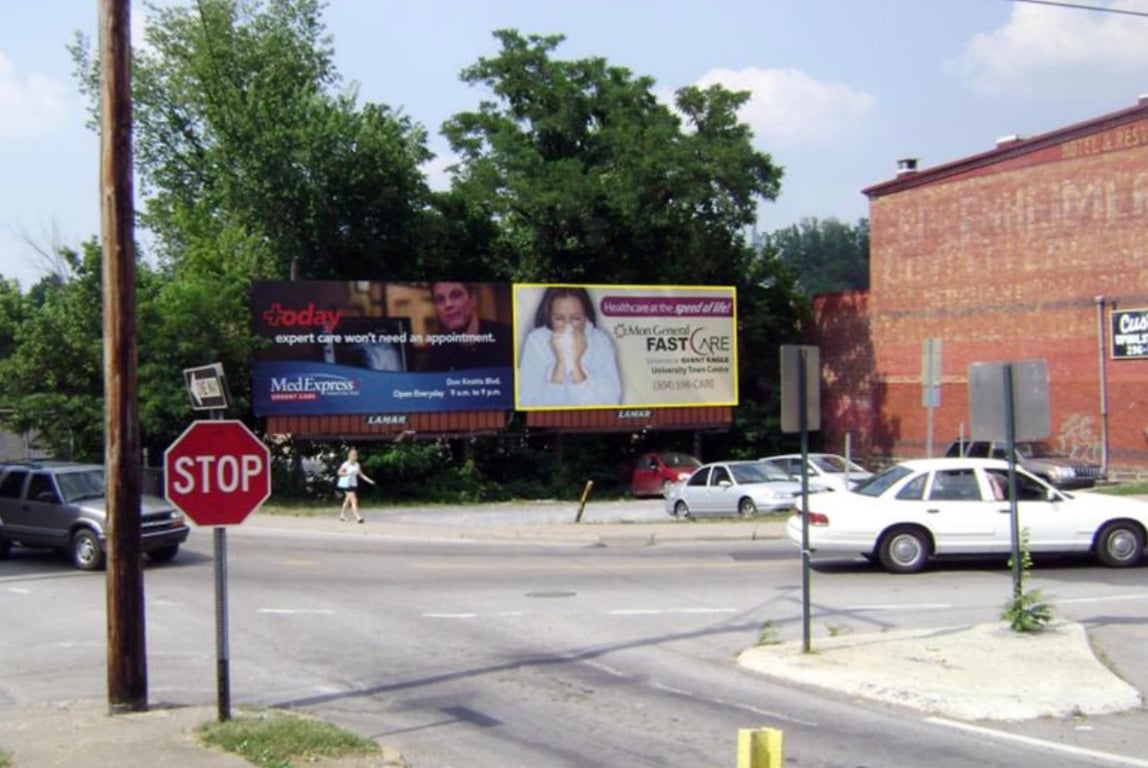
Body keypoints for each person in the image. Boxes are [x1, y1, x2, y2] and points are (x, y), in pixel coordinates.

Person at [517, 286, 622, 407]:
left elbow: (611, 401)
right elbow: (527, 401)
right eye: (559, 319)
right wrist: (560, 364)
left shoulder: (601, 341)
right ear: (549, 316)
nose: (568, 327)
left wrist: (576, 366)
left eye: (576, 318)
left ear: (586, 316)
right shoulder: (536, 340)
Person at [419, 282, 513, 372]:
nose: (448, 304)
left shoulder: (507, 338)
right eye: (440, 299)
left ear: (473, 300)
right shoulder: (437, 351)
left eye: (456, 295)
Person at [335, 448, 375, 523]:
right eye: (353, 455)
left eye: (356, 455)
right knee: (354, 500)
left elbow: (361, 474)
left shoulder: (357, 465)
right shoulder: (346, 464)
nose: (355, 457)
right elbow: (339, 473)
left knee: (347, 501)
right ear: (349, 456)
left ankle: (342, 515)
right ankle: (358, 517)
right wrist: (347, 473)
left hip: (353, 484)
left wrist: (369, 480)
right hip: (347, 485)